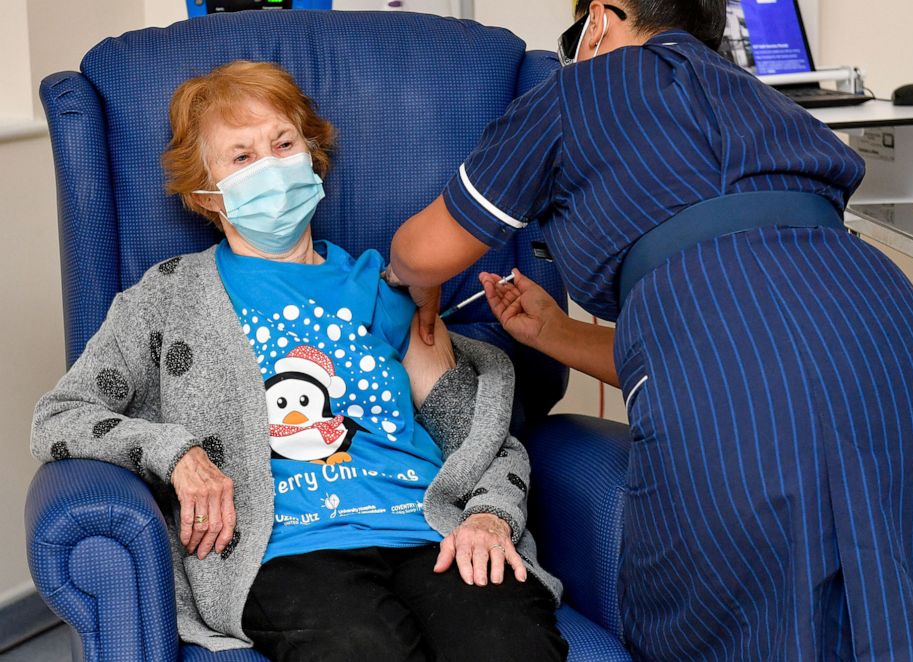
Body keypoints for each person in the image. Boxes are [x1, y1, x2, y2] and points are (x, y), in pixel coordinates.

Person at [386, 1, 913, 660]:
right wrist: (554, 334)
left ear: (602, 18)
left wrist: (396, 283)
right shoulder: (766, 103)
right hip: (903, 350)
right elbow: (759, 330)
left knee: (740, 628)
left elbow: (424, 253)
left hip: (740, 383)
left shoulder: (577, 92)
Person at [31, 60, 567, 662]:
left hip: (428, 529)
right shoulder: (167, 298)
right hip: (286, 549)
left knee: (511, 645)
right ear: (206, 194)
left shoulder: (383, 289)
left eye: (283, 143)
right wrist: (174, 452)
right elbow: (60, 417)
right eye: (240, 157)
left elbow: (478, 436)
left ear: (312, 155)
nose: (270, 167)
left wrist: (490, 516)